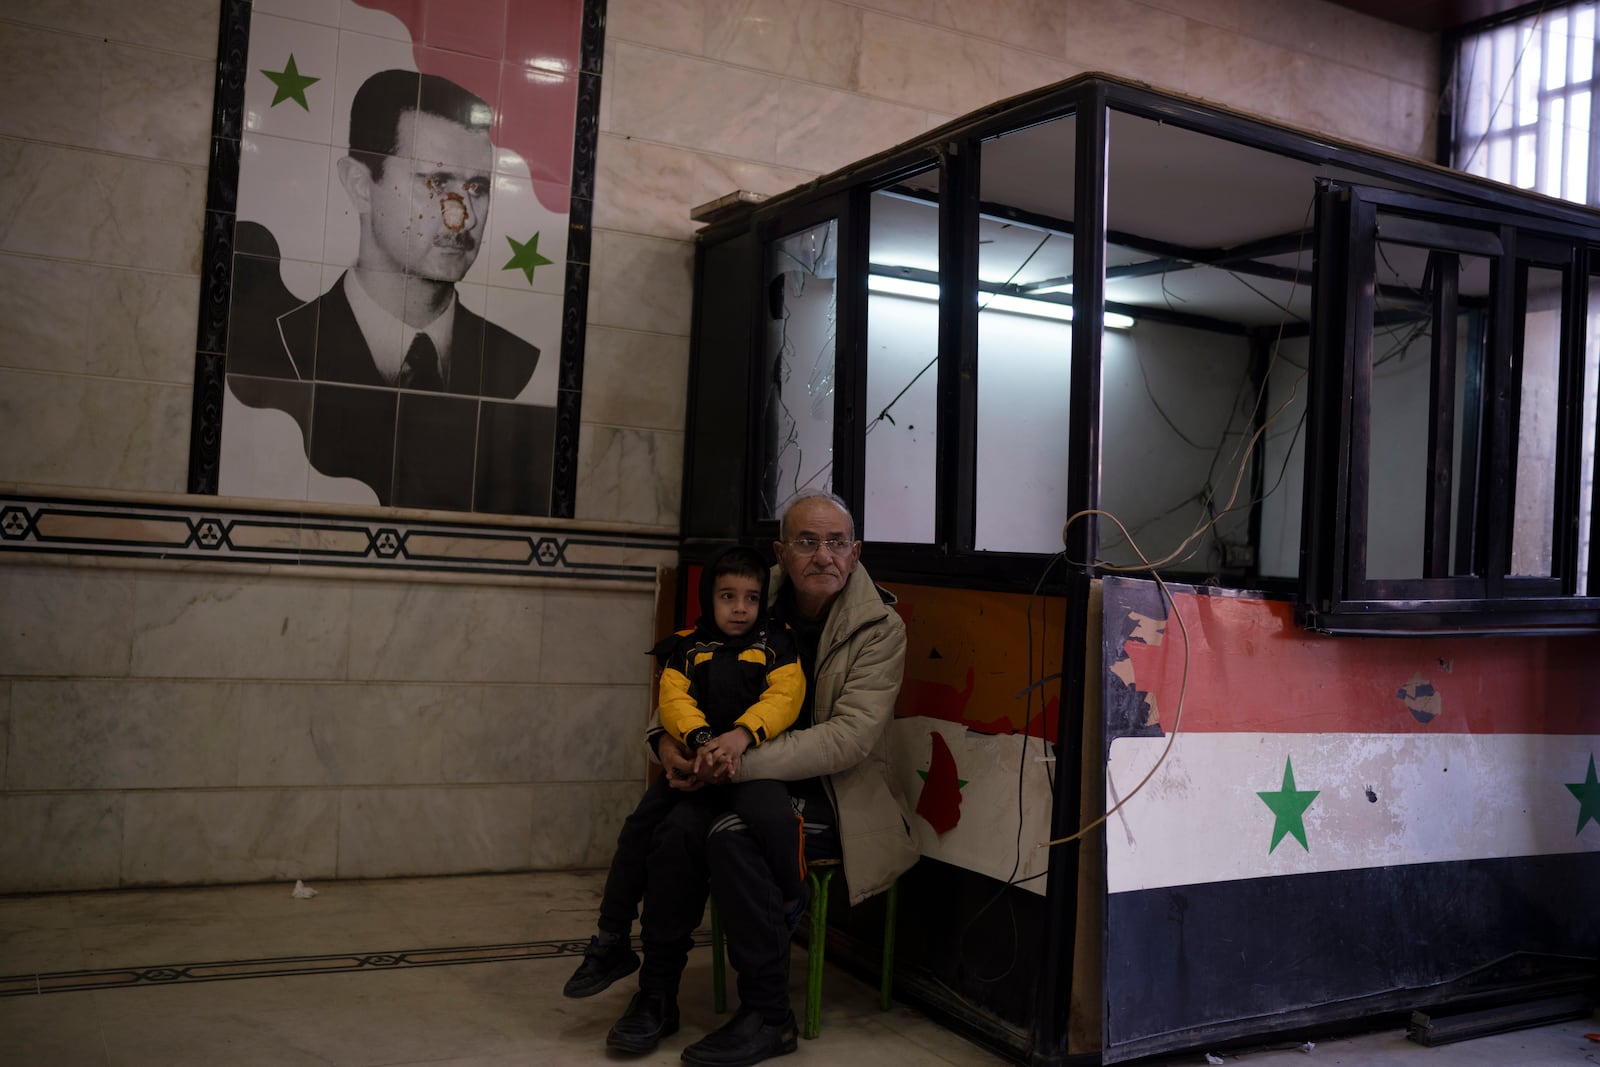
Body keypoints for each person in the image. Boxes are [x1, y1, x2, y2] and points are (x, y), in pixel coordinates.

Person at [605, 489, 920, 1067]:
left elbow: (848, 740)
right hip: (732, 771)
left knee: (730, 836)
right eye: (806, 542)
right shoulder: (749, 594)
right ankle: (656, 995)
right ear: (781, 551)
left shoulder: (880, 629)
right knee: (675, 831)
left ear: (855, 552)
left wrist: (728, 761)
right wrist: (668, 742)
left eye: (836, 542)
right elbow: (687, 669)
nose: (822, 555)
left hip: (834, 791)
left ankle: (770, 1016)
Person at [228, 69, 547, 511]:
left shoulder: (518, 362)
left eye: (477, 189)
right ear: (361, 186)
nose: (464, 219)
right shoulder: (282, 347)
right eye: (436, 183)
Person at [562, 545, 808, 1000]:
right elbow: (674, 701)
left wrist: (740, 736)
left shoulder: (778, 642)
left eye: (751, 598)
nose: (739, 608)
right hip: (696, 765)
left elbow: (785, 698)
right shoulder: (687, 647)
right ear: (707, 597)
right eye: (728, 596)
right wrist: (696, 743)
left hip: (753, 765)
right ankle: (612, 936)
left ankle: (793, 899)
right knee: (639, 829)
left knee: (775, 818)